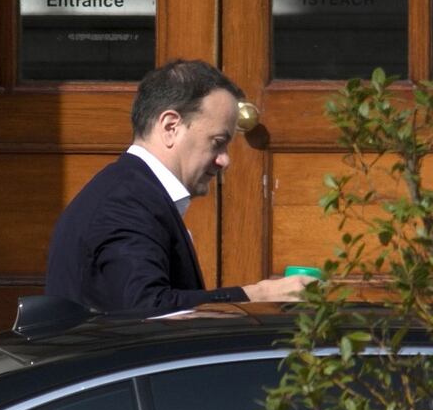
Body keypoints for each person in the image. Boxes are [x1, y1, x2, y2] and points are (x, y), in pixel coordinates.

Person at [44, 59, 312, 312]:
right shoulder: (125, 203)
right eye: (218, 142)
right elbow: (148, 310)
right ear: (171, 127)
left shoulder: (132, 192)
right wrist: (256, 295)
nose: (224, 160)